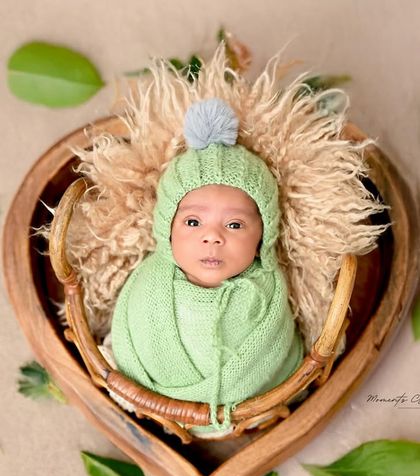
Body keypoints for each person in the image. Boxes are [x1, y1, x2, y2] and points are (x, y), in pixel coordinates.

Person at [111, 98, 303, 431]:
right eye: (193, 222)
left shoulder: (265, 295)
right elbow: (129, 336)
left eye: (234, 225)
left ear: (264, 236)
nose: (212, 237)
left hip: (248, 416)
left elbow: (278, 352)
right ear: (166, 228)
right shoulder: (148, 285)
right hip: (155, 411)